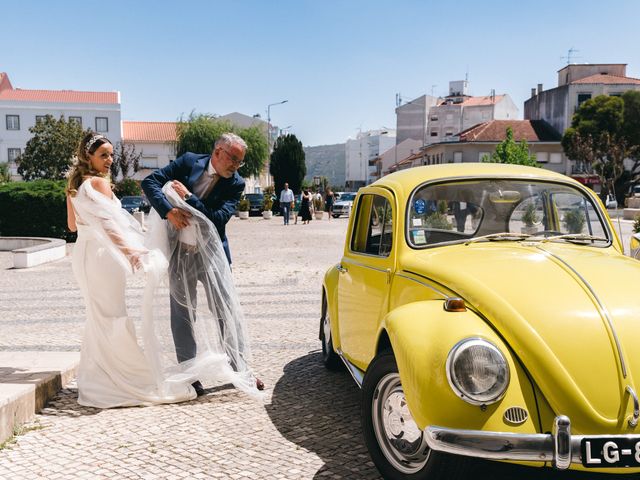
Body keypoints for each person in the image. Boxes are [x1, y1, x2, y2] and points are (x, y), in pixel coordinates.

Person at [66, 132, 197, 408]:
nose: (110, 160)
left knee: (99, 314)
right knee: (113, 314)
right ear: (88, 156)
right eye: (104, 155)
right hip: (103, 256)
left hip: (84, 254)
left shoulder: (74, 185)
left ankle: (99, 377)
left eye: (111, 155)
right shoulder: (100, 184)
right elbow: (110, 226)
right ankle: (124, 377)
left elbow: (73, 227)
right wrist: (131, 252)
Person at [142, 133, 264, 396]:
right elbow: (149, 181)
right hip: (180, 253)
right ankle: (190, 375)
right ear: (218, 152)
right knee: (182, 315)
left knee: (226, 311)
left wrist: (188, 199)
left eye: (240, 162)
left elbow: (218, 218)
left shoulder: (236, 184)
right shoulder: (188, 162)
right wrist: (169, 211)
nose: (236, 166)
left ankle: (240, 369)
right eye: (234, 159)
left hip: (212, 256)